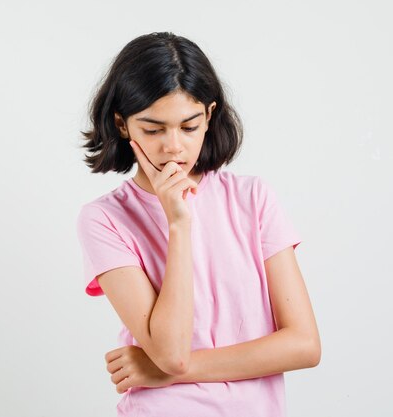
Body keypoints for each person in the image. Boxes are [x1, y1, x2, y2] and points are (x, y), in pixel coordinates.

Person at [75, 31, 321, 417]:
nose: (173, 146)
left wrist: (167, 372)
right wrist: (178, 224)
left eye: (188, 127)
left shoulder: (252, 198)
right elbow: (171, 353)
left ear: (209, 115)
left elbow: (304, 345)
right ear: (123, 126)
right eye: (153, 129)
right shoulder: (105, 219)